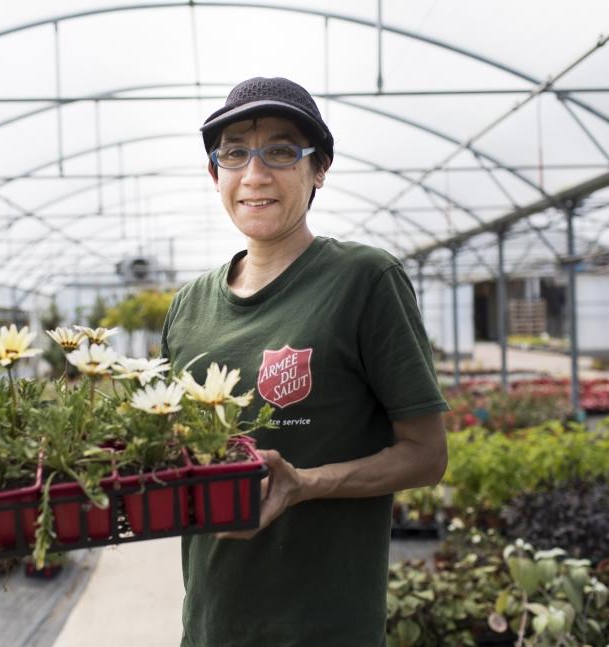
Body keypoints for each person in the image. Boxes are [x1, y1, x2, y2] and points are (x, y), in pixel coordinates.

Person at [160, 76, 449, 647]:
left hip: (324, 628)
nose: (256, 174)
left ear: (319, 169)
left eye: (282, 151)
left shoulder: (365, 280)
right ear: (215, 173)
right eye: (236, 152)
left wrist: (304, 484)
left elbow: (427, 456)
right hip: (210, 626)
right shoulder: (189, 306)